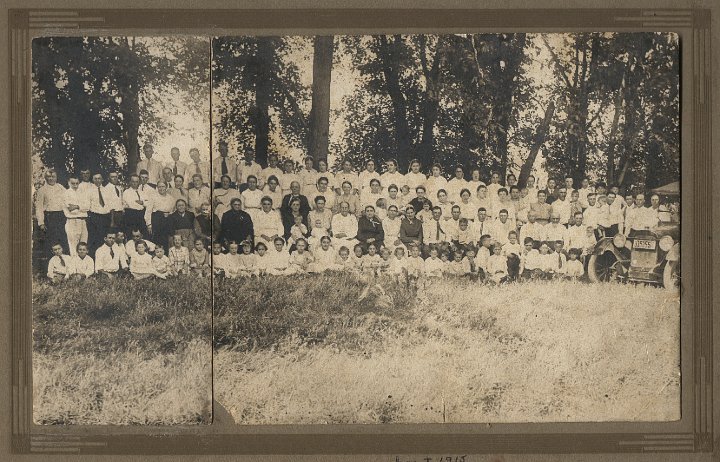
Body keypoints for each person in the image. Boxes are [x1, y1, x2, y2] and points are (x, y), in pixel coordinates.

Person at [36, 169, 69, 256]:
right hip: (49, 217)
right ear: (45, 178)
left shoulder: (61, 188)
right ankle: (51, 264)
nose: (51, 179)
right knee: (51, 241)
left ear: (56, 177)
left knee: (62, 239)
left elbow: (68, 200)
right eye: (49, 177)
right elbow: (39, 207)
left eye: (53, 176)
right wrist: (41, 223)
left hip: (61, 216)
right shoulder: (42, 190)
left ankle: (64, 264)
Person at [146, 181, 176, 252]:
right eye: (159, 187)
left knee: (166, 240)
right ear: (157, 187)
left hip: (167, 220)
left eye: (163, 186)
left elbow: (173, 210)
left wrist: (169, 214)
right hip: (157, 220)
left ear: (166, 187)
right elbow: (148, 211)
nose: (161, 188)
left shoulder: (171, 198)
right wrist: (149, 224)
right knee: (157, 240)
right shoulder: (153, 197)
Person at [63, 176, 89, 257]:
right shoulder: (66, 193)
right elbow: (70, 209)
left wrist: (77, 206)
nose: (75, 185)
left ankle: (82, 267)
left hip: (83, 221)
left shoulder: (83, 193)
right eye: (73, 183)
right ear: (69, 183)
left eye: (77, 183)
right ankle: (74, 267)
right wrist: (81, 207)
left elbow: (87, 207)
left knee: (83, 244)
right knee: (73, 245)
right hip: (72, 221)